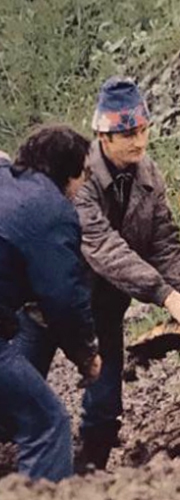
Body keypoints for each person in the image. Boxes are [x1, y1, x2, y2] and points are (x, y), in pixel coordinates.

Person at [14, 77, 180, 471]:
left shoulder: (148, 176)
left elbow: (163, 245)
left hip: (102, 311)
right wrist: (167, 297)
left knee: (105, 409)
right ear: (103, 136)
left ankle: (91, 477)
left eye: (142, 130)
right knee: (14, 401)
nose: (138, 141)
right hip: (45, 307)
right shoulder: (76, 174)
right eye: (126, 134)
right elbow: (102, 247)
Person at [0, 129, 101, 482]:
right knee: (47, 424)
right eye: (84, 175)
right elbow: (62, 299)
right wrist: (86, 356)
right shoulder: (52, 211)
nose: (83, 186)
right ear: (67, 173)